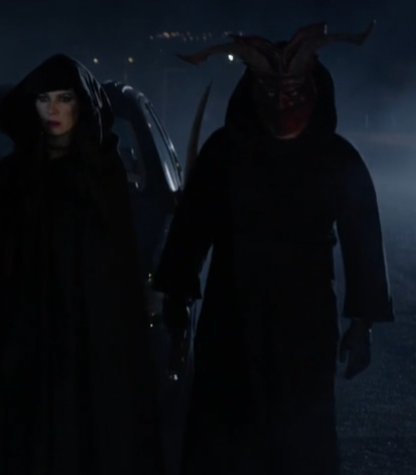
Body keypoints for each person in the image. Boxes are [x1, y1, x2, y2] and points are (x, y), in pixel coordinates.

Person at [155, 22, 391, 475]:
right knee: (225, 435)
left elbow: (363, 240)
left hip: (305, 323)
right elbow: (190, 232)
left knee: (301, 438)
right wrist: (178, 312)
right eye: (271, 92)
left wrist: (363, 324)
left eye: (294, 92)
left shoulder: (336, 158)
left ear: (314, 92)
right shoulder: (224, 153)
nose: (283, 104)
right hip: (231, 316)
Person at [0, 54, 164, 475]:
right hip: (23, 334)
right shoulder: (15, 173)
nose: (53, 109)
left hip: (87, 335)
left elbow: (116, 262)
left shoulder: (103, 173)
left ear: (81, 104)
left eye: (64, 98)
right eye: (43, 99)